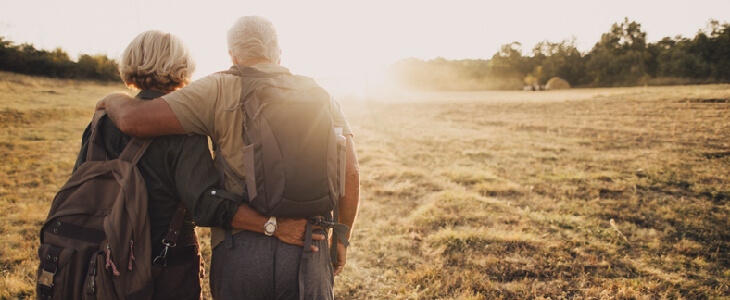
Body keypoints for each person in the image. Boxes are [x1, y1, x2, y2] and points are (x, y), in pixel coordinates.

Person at [96, 16, 360, 299]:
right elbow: (351, 172)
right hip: (310, 243)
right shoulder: (322, 95)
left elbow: (133, 120)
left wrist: (111, 99)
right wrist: (341, 237)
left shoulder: (217, 88)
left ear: (232, 55)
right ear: (279, 53)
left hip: (240, 250)